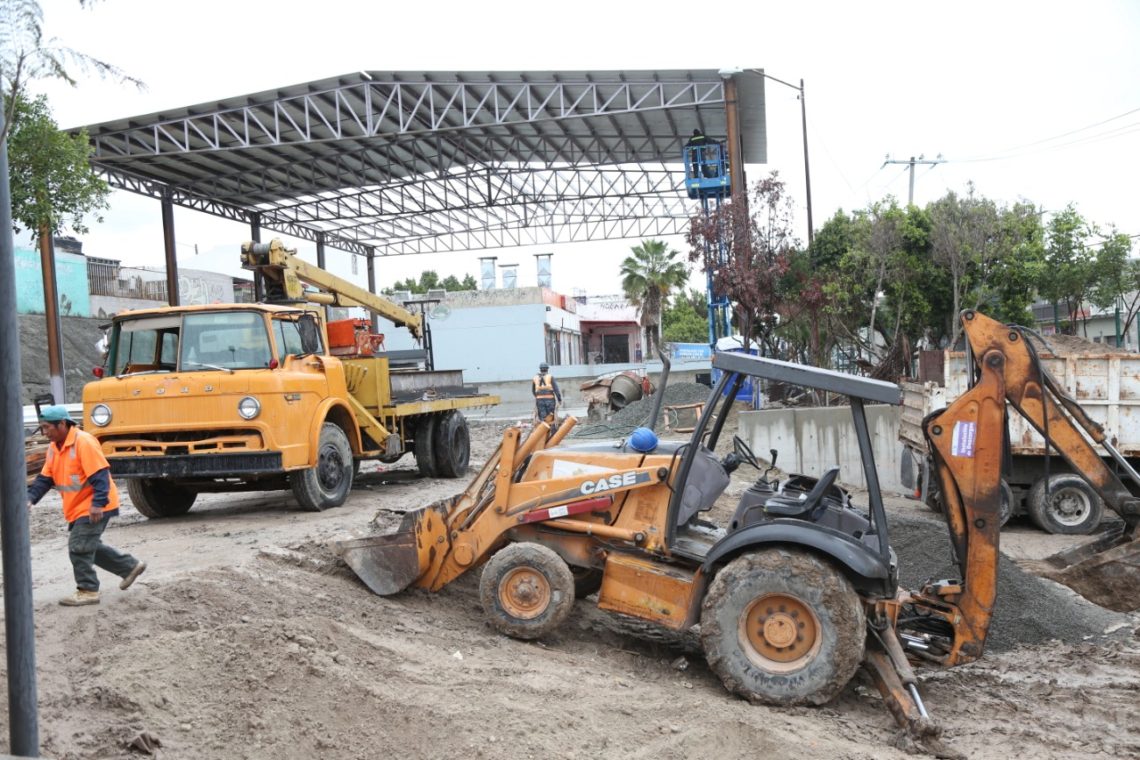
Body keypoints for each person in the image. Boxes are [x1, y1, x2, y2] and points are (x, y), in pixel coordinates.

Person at [27, 405, 146, 607]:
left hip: (94, 504)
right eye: (42, 428)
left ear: (62, 424)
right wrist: (29, 498)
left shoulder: (84, 442)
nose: (45, 432)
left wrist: (98, 503)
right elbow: (45, 478)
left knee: (78, 547)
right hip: (79, 506)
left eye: (47, 427)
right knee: (88, 545)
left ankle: (88, 590)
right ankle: (129, 567)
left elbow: (100, 475)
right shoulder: (54, 448)